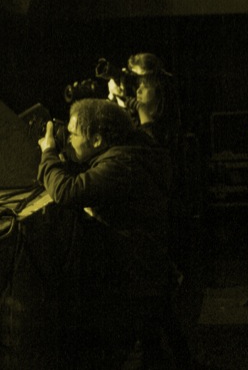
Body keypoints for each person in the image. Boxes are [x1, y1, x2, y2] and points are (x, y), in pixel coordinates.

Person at [38, 98, 185, 368]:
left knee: (136, 352)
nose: (67, 140)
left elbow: (65, 191)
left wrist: (48, 154)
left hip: (133, 273)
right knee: (157, 346)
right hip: (148, 269)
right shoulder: (132, 152)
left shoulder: (121, 164)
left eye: (73, 134)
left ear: (96, 140)